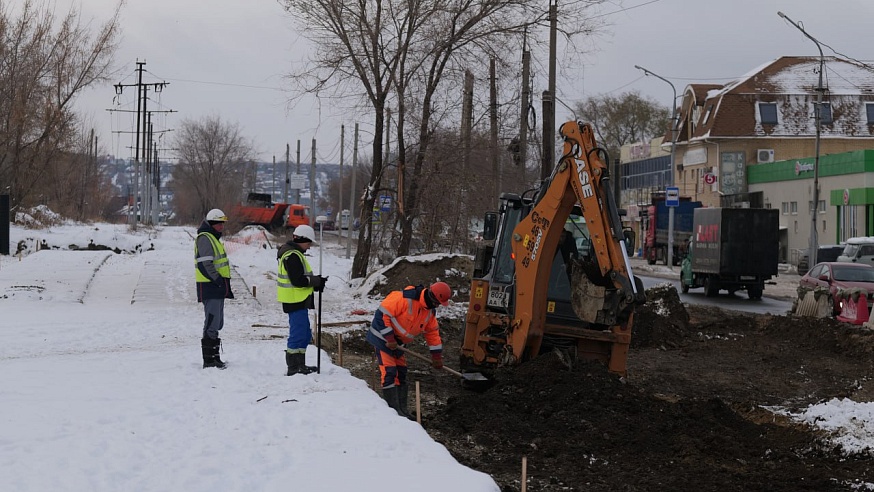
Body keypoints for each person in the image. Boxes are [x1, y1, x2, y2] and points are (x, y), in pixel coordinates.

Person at [366, 281, 452, 418]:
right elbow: (382, 316)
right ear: (432, 297)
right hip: (383, 338)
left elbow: (432, 334)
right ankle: (393, 412)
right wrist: (390, 338)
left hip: (398, 343)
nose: (438, 305)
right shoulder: (405, 298)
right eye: (438, 302)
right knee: (390, 372)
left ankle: (402, 411)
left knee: (401, 373)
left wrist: (437, 357)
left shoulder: (429, 312)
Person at [276, 224, 327, 376]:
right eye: (309, 243)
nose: (309, 247)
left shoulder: (295, 254)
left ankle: (300, 364)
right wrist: (315, 281)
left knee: (304, 333)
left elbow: (301, 278)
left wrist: (315, 282)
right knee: (298, 333)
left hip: (299, 299)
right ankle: (294, 367)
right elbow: (298, 280)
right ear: (303, 239)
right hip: (295, 300)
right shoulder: (292, 256)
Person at [195, 208, 234, 369]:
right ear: (212, 223)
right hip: (211, 286)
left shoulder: (212, 238)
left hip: (217, 286)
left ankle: (214, 357)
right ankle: (209, 360)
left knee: (218, 322)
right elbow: (205, 264)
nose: (222, 227)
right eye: (220, 223)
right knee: (211, 322)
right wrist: (217, 280)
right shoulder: (205, 238)